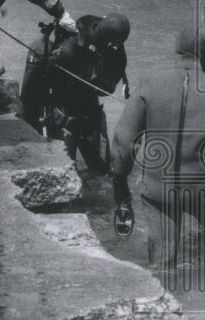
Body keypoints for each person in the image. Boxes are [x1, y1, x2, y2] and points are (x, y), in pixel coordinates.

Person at [110, 26, 205, 272]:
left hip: (158, 189)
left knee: (162, 264)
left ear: (176, 50)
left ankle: (163, 299)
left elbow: (123, 144)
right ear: (204, 53)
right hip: (203, 188)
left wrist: (120, 184)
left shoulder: (149, 83)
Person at [20, 13, 130, 221]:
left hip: (91, 113)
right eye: (113, 44)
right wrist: (37, 119)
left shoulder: (116, 53)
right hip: (64, 114)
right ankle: (67, 213)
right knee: (65, 172)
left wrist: (94, 78)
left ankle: (100, 216)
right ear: (105, 38)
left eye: (119, 44)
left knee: (102, 172)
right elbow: (40, 84)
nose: (116, 47)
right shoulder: (69, 50)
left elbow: (108, 87)